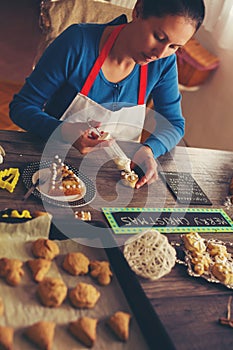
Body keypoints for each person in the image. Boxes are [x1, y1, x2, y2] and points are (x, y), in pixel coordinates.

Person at [9, 0, 205, 189]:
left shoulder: (163, 63)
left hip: (112, 183)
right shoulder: (78, 42)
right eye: (159, 37)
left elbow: (174, 124)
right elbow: (21, 108)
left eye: (174, 47)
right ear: (138, 11)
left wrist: (149, 149)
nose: (160, 53)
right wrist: (63, 131)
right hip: (50, 172)